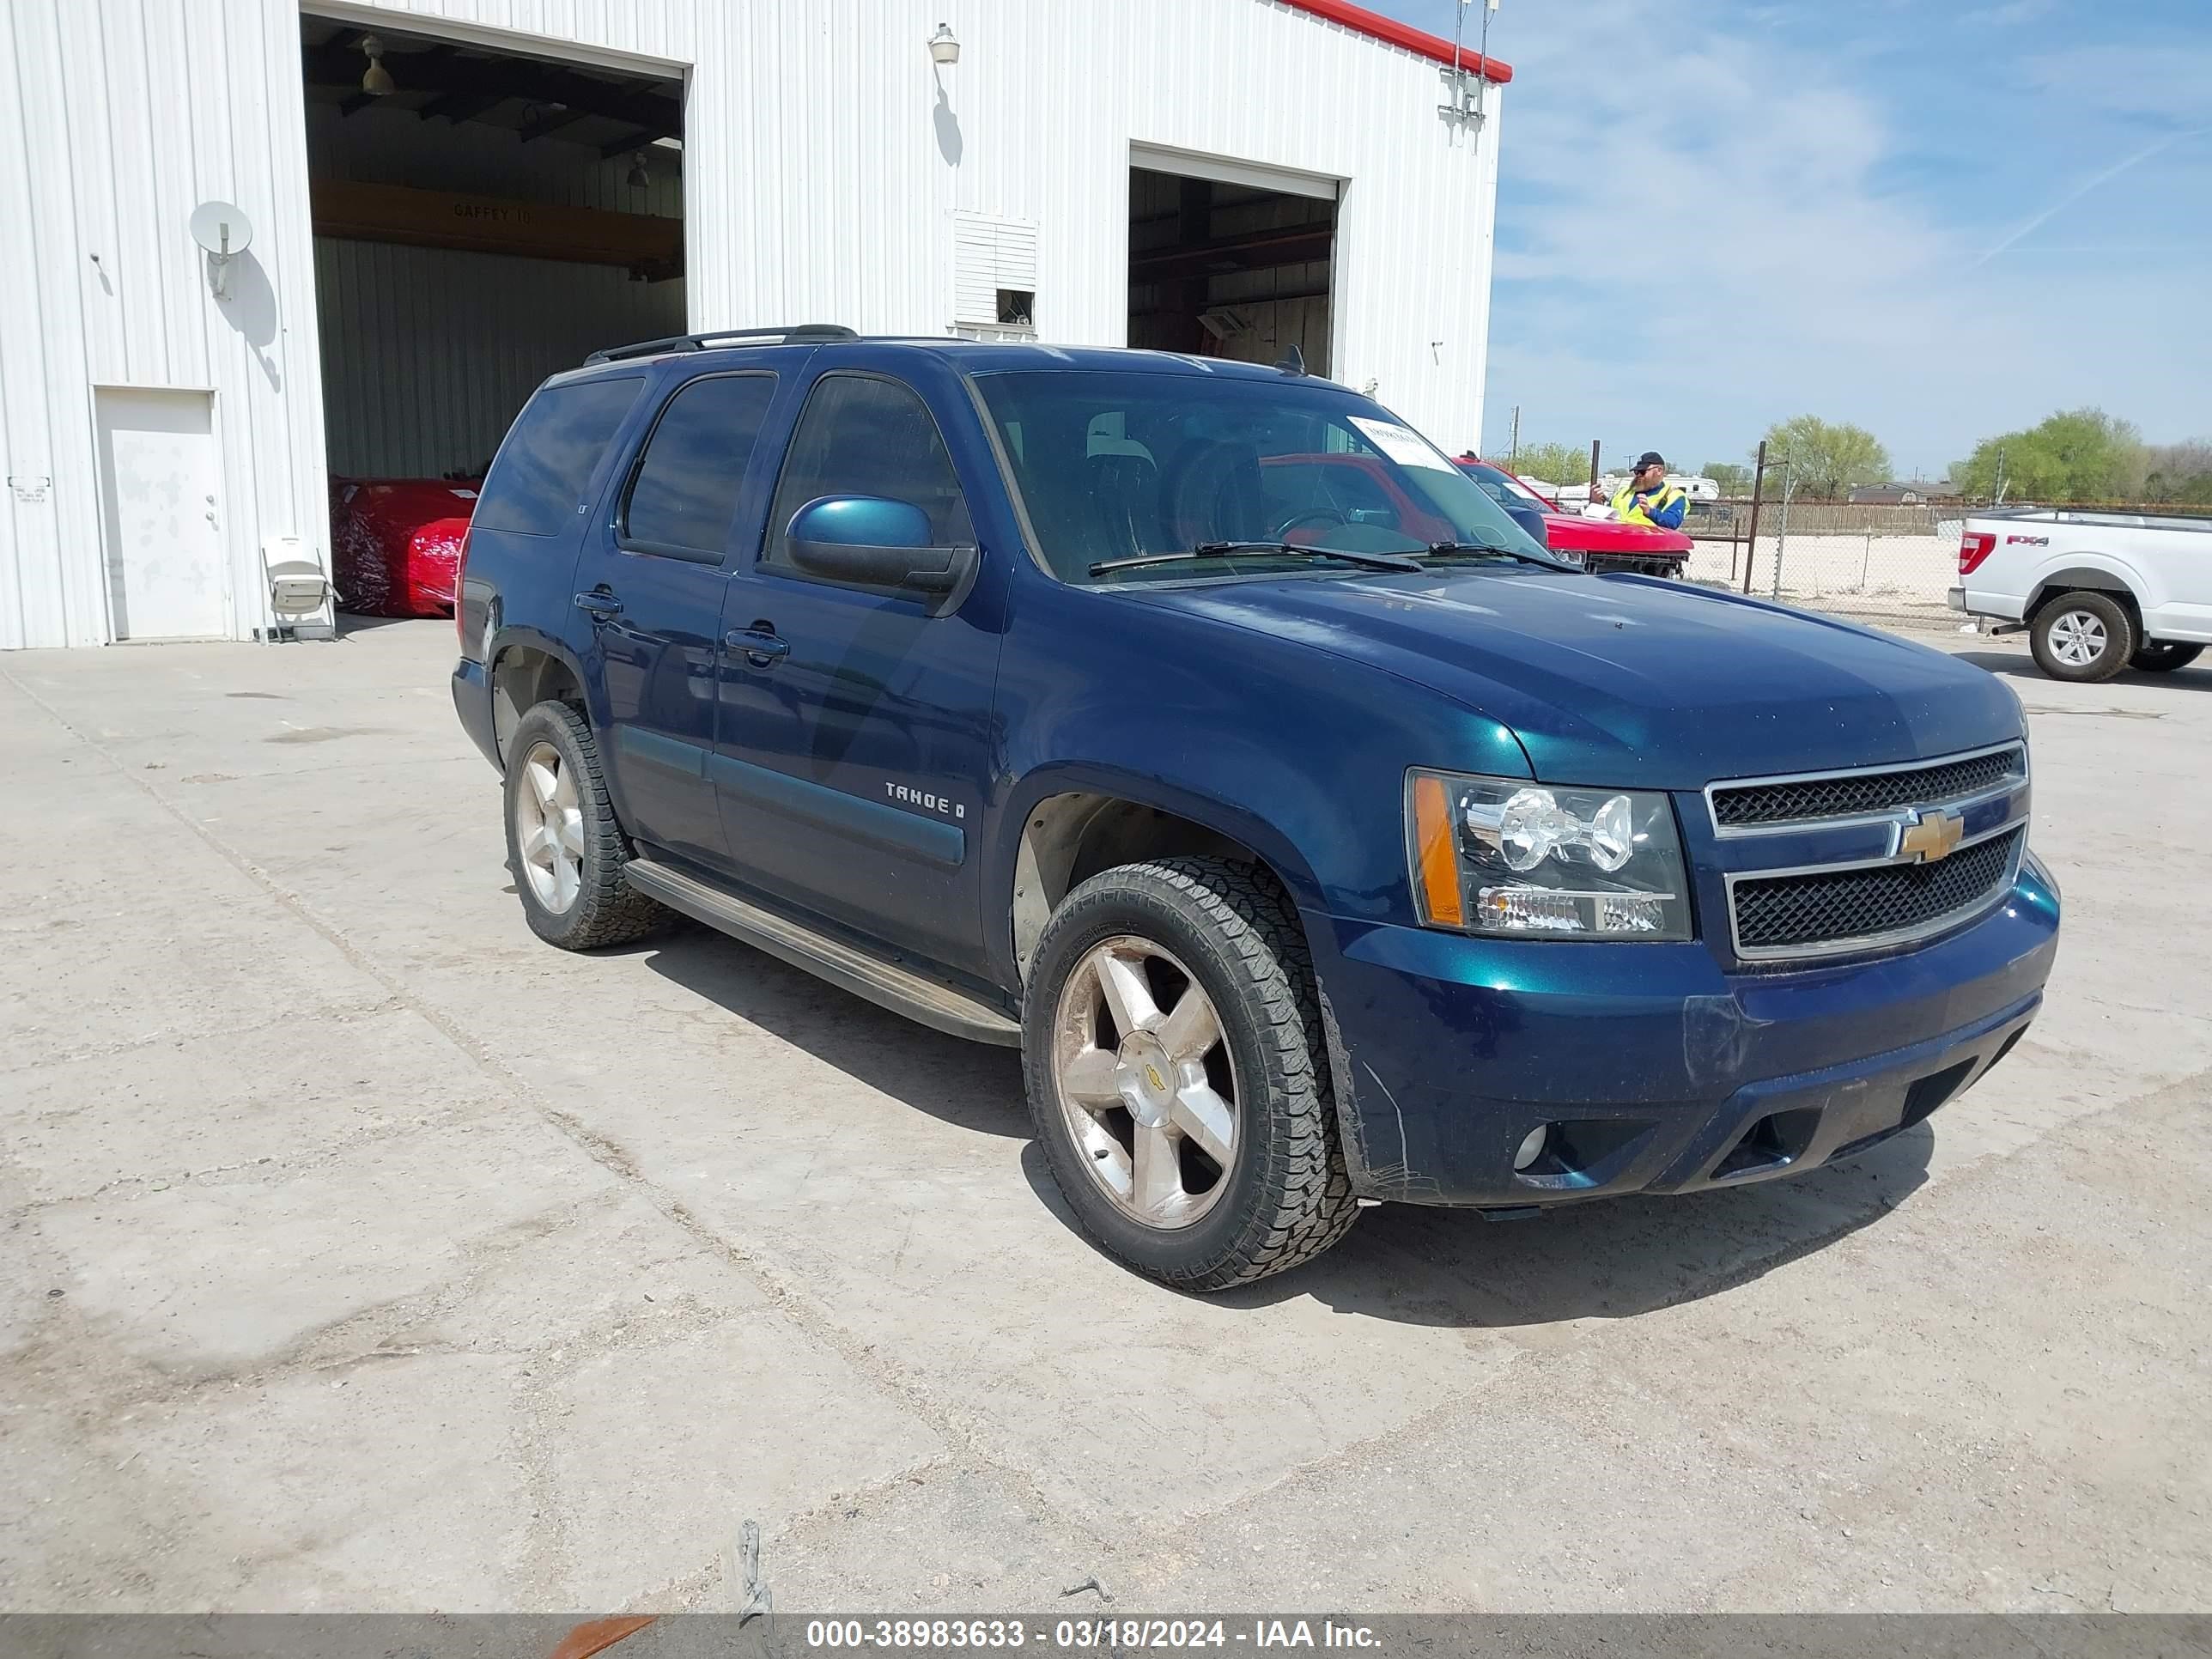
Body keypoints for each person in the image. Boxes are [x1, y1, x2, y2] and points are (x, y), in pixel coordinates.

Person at [1601, 452, 1688, 531]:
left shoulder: (1673, 495)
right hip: (1617, 543)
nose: (1638, 475)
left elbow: (1672, 522)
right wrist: (1597, 502)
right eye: (1636, 472)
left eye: (1642, 472)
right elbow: (1607, 516)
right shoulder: (1624, 492)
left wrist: (1650, 512)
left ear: (1659, 470)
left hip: (1649, 546)